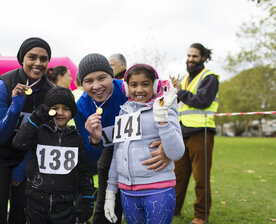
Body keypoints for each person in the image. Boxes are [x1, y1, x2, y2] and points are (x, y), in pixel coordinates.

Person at [74, 53, 171, 224]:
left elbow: (163, 102)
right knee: (105, 207)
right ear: (82, 84)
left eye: (102, 78)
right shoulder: (81, 106)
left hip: (142, 153)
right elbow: (90, 158)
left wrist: (166, 142)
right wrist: (94, 141)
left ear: (112, 76)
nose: (96, 86)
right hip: (109, 153)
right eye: (89, 81)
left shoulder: (128, 90)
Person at [0, 37, 54, 224]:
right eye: (32, 57)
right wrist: (15, 106)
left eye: (43, 59)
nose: (38, 63)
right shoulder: (3, 85)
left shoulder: (50, 92)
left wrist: (22, 169)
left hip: (25, 156)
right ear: (22, 59)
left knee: (21, 210)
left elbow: (44, 137)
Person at [104, 64, 185, 224]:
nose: (139, 89)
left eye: (145, 84)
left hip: (158, 189)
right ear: (127, 88)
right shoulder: (124, 111)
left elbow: (176, 153)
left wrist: (162, 118)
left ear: (155, 86)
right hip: (128, 192)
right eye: (134, 85)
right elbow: (117, 154)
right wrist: (110, 192)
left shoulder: (165, 108)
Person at [12, 86, 94, 224]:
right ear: (48, 110)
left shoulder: (77, 139)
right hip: (36, 204)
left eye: (66, 109)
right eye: (55, 108)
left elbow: (82, 171)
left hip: (65, 207)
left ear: (72, 112)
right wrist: (35, 119)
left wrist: (87, 198)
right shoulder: (39, 132)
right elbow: (19, 143)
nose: (60, 113)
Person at [170, 43, 219, 224]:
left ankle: (201, 216)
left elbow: (202, 101)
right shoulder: (183, 79)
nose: (191, 59)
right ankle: (173, 210)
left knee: (201, 178)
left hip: (201, 132)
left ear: (203, 58)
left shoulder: (209, 77)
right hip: (182, 133)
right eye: (189, 56)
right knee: (177, 176)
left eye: (195, 56)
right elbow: (178, 102)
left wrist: (180, 91)